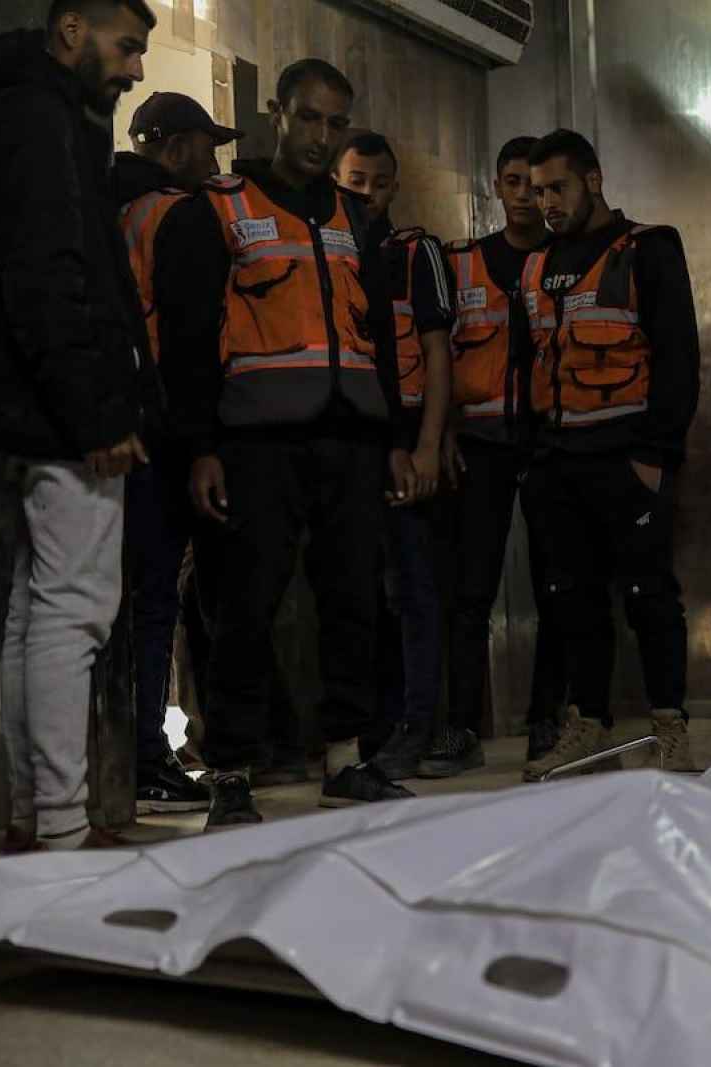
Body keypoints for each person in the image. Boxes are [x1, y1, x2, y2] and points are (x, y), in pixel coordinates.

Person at [156, 58, 428, 827]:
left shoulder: (355, 218)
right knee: (244, 607)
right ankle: (231, 770)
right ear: (276, 113)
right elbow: (186, 343)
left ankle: (345, 759)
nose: (321, 135)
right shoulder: (217, 209)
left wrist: (395, 440)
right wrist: (201, 447)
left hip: (351, 440)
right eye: (308, 117)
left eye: (336, 122)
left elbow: (380, 337)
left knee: (353, 601)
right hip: (255, 442)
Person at [0, 0, 159, 849]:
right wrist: (99, 410)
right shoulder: (39, 121)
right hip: (55, 411)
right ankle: (61, 828)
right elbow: (52, 274)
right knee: (74, 613)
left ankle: (36, 817)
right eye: (126, 48)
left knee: (34, 614)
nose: (134, 69)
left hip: (1, 402)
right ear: (71, 32)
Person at [517, 129, 700, 781]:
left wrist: (655, 456)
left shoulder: (647, 248)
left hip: (627, 458)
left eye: (557, 188)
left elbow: (678, 356)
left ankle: (671, 729)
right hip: (558, 462)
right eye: (538, 191)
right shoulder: (537, 265)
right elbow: (528, 365)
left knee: (650, 595)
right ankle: (588, 725)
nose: (546, 202)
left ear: (593, 181)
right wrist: (535, 461)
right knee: (573, 599)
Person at [114, 91, 242, 815]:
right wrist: (203, 444)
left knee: (124, 599)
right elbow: (192, 342)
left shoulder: (112, 207)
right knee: (160, 598)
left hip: (118, 426)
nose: (215, 161)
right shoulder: (179, 214)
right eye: (207, 145)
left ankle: (125, 756)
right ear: (175, 147)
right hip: (167, 433)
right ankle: (148, 756)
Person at [330, 131, 459, 779]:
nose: (368, 194)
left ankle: (419, 723)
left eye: (380, 183)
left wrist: (429, 444)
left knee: (414, 587)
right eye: (356, 182)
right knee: (357, 591)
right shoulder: (327, 251)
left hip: (407, 437)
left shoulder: (416, 252)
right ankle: (371, 728)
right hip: (349, 444)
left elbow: (438, 352)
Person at [444, 135, 568, 766]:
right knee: (470, 591)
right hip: (480, 445)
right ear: (496, 187)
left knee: (557, 587)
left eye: (535, 186)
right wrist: (441, 435)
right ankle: (460, 727)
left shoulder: (568, 263)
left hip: (551, 444)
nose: (524, 196)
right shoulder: (461, 263)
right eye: (513, 183)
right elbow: (436, 359)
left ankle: (549, 719)